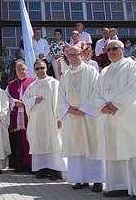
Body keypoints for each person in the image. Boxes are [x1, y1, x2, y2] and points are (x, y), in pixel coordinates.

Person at [89, 40, 136, 199]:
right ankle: (118, 186)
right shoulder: (105, 71)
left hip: (127, 115)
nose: (111, 51)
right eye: (108, 49)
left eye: (115, 48)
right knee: (113, 150)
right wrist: (103, 106)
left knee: (135, 151)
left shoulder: (132, 66)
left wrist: (116, 104)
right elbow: (96, 93)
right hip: (109, 117)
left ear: (122, 50)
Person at [58, 45, 104, 193]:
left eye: (75, 54)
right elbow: (61, 97)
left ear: (82, 55)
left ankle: (97, 180)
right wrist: (67, 109)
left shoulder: (91, 71)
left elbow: (97, 91)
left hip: (88, 116)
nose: (72, 57)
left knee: (92, 146)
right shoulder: (65, 75)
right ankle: (80, 178)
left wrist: (84, 108)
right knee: (76, 148)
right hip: (72, 116)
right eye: (69, 55)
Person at [22, 59, 66, 181]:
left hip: (52, 119)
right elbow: (25, 99)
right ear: (34, 70)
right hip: (37, 120)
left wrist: (59, 118)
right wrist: (34, 100)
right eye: (37, 69)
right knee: (38, 142)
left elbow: (60, 101)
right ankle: (42, 169)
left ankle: (54, 170)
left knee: (54, 142)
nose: (40, 71)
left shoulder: (54, 83)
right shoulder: (32, 85)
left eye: (42, 68)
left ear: (46, 68)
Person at [5, 62, 35, 173]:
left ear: (27, 70)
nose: (21, 71)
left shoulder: (33, 83)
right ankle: (18, 165)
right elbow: (6, 98)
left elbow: (37, 97)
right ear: (16, 72)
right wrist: (14, 102)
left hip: (29, 117)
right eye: (19, 70)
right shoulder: (11, 84)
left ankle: (30, 166)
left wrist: (27, 102)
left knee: (29, 142)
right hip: (16, 117)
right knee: (17, 142)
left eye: (23, 69)